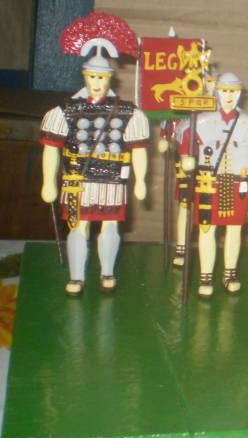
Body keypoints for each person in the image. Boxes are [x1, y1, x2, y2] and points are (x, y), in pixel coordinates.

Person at [40, 41, 149, 295]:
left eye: (101, 77)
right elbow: (51, 148)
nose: (97, 82)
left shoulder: (128, 113)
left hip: (113, 179)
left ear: (109, 78)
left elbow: (139, 150)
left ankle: (107, 271)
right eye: (92, 76)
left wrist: (141, 181)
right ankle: (77, 276)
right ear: (85, 76)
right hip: (77, 179)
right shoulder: (65, 111)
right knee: (78, 226)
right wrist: (48, 182)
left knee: (110, 225)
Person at [180, 73, 248, 298]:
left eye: (233, 91)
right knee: (206, 228)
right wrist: (186, 161)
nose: (229, 96)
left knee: (234, 229)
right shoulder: (200, 122)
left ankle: (229, 273)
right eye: (225, 91)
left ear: (239, 94)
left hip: (238, 184)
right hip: (208, 183)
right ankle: (206, 275)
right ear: (217, 92)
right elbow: (185, 144)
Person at [158, 67, 219, 267]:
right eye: (205, 81)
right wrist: (166, 140)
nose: (209, 86)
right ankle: (182, 247)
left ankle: (205, 252)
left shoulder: (221, 113)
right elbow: (169, 133)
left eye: (212, 82)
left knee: (210, 207)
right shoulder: (181, 109)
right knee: (186, 204)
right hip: (186, 164)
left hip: (214, 167)